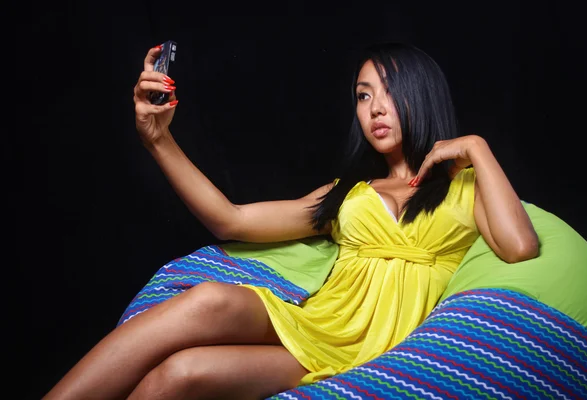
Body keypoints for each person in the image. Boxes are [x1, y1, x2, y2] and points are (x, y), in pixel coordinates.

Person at [43, 41, 539, 400]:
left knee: (182, 373)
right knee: (185, 352)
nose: (375, 108)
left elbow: (520, 247)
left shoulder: (466, 186)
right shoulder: (347, 195)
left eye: (388, 91)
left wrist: (476, 146)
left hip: (375, 355)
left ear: (423, 93)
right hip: (314, 329)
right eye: (363, 96)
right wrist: (157, 139)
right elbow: (229, 220)